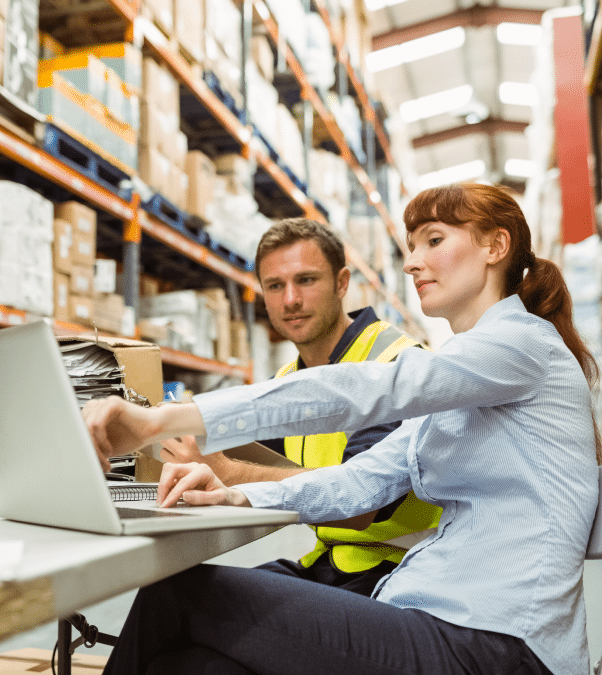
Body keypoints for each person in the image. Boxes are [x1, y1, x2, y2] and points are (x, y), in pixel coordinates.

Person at [83, 182, 601, 675]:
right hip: (434, 615)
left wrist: (160, 418)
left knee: (175, 594)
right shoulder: (465, 381)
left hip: (497, 643)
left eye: (434, 241)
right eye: (410, 247)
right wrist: (235, 497)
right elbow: (361, 480)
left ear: (496, 246)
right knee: (195, 667)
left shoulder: (520, 345)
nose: (412, 262)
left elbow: (359, 389)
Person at [159, 217, 441, 595]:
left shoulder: (395, 364)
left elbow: (359, 507)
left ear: (342, 283)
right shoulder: (288, 379)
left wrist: (226, 471)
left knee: (183, 603)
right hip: (330, 563)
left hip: (398, 574)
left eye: (305, 280)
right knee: (172, 593)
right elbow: (250, 455)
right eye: (275, 286)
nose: (290, 299)